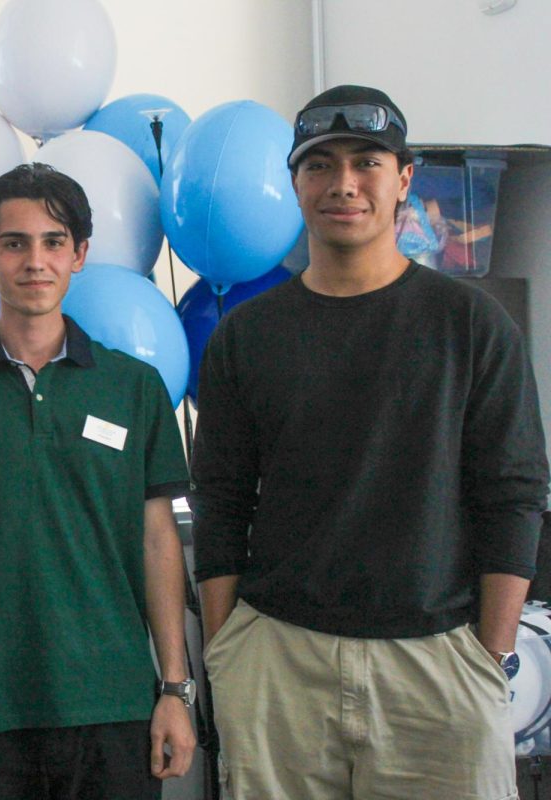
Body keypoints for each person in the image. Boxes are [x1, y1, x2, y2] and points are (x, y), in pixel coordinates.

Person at [191, 84, 550, 799]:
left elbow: (514, 493)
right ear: (295, 183)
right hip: (278, 660)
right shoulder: (248, 336)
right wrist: (228, 650)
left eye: (366, 163)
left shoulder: (471, 325)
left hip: (440, 662)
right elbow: (221, 500)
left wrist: (492, 652)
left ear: (404, 179)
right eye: (320, 165)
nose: (343, 184)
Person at [0, 163, 197, 800]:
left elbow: (157, 542)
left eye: (54, 242)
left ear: (80, 255)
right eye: (14, 243)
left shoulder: (135, 389)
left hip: (117, 706)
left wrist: (175, 688)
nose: (36, 261)